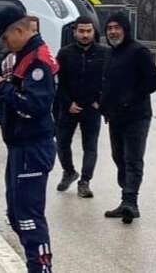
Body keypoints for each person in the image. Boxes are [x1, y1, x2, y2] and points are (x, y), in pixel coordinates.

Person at [0, 5, 59, 273]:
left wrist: (4, 89)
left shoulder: (37, 60)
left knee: (28, 218)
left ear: (19, 30)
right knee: (16, 215)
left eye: (5, 37)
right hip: (19, 146)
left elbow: (35, 105)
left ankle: (41, 269)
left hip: (33, 146)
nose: (4, 44)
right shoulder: (19, 57)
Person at [100, 12, 156, 224]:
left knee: (132, 158)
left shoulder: (139, 52)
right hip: (115, 117)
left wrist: (130, 99)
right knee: (119, 158)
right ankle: (125, 197)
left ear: (125, 29)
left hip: (137, 116)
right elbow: (107, 83)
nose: (113, 32)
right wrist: (105, 108)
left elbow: (153, 82)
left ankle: (131, 201)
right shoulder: (110, 54)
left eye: (117, 27)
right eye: (109, 28)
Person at [55, 16, 108, 198]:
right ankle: (69, 171)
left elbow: (109, 81)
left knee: (90, 146)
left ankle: (85, 182)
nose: (85, 35)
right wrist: (67, 103)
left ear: (94, 32)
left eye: (88, 31)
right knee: (62, 143)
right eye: (81, 31)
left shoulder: (104, 53)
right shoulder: (64, 53)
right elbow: (59, 82)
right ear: (75, 32)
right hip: (68, 107)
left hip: (92, 108)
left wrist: (100, 101)